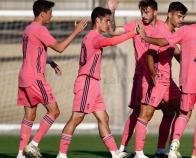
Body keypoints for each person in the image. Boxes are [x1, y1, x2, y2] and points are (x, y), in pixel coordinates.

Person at [137, 0, 196, 157]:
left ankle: (172, 147)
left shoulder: (186, 30)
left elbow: (165, 42)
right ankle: (195, 155)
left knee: (183, 114)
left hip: (188, 81)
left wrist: (145, 37)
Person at [56, 6, 137, 158]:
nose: (108, 24)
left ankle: (114, 153)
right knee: (77, 118)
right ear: (98, 21)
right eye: (106, 21)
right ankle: (61, 154)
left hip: (93, 84)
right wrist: (133, 33)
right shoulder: (94, 37)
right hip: (87, 82)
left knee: (103, 118)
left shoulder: (91, 37)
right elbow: (112, 42)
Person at [107, 0, 182, 157]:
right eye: (142, 12)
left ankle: (162, 149)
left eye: (146, 12)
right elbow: (113, 31)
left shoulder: (164, 27)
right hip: (143, 76)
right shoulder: (136, 26)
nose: (143, 15)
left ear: (155, 11)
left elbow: (173, 49)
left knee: (172, 112)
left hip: (164, 79)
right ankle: (123, 148)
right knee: (138, 112)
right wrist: (112, 11)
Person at [17, 1, 87, 158]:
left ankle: (20, 154)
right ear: (42, 14)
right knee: (54, 111)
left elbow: (31, 52)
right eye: (50, 12)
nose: (52, 15)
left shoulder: (28, 29)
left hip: (23, 76)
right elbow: (60, 48)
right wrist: (76, 31)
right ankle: (33, 144)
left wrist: (49, 62)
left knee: (29, 115)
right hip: (35, 77)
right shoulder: (40, 29)